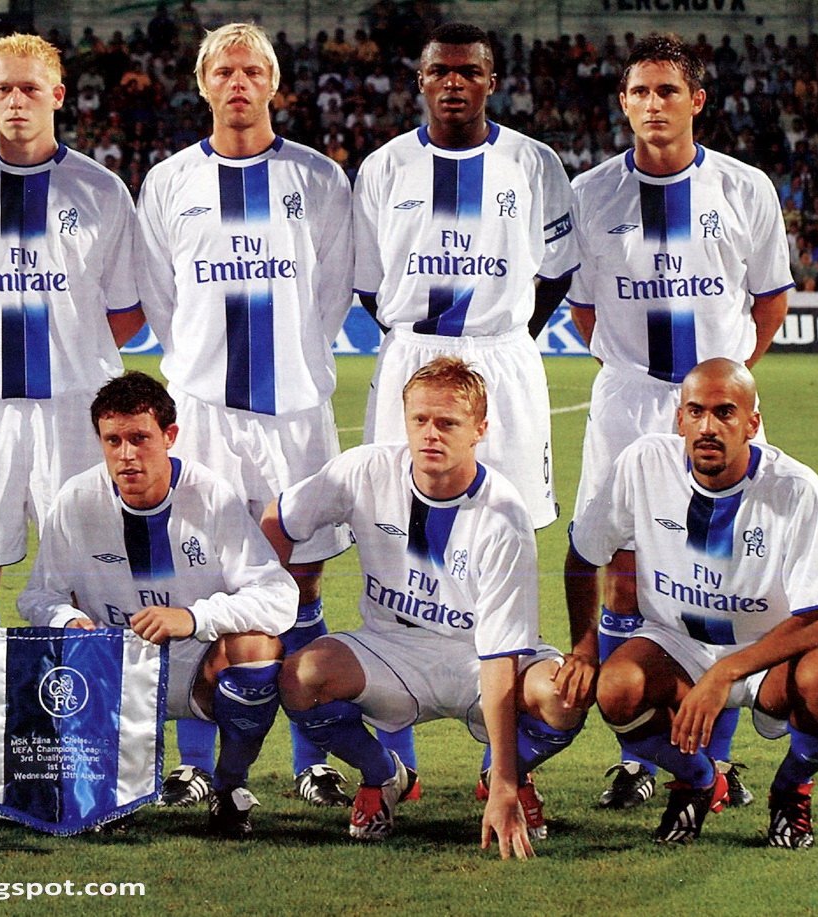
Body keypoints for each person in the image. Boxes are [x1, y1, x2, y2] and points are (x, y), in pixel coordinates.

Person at [0, 33, 143, 799]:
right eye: (2, 89)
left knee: (89, 562)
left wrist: (65, 354)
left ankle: (96, 741)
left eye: (29, 89)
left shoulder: (102, 190)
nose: (16, 101)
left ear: (57, 95)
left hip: (76, 405)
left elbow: (127, 314)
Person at [564, 34, 794, 810]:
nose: (652, 104)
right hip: (627, 398)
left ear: (696, 101)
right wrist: (637, 375)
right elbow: (584, 307)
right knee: (621, 561)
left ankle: (714, 755)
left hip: (715, 408)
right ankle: (639, 755)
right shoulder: (589, 191)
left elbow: (769, 298)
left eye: (667, 91)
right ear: (622, 102)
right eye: (639, 92)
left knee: (715, 567)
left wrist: (723, 379)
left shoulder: (744, 187)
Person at [134, 21, 355, 810]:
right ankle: (195, 760)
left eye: (251, 69)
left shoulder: (319, 179)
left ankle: (312, 759)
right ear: (202, 83)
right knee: (202, 571)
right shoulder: (166, 182)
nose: (237, 82)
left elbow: (331, 293)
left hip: (293, 407)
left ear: (273, 83)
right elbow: (162, 298)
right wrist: (200, 366)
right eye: (223, 70)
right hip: (203, 409)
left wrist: (294, 362)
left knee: (300, 575)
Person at [352, 22, 576, 775]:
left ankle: (502, 748)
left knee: (509, 521)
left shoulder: (532, 162)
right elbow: (366, 279)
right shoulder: (384, 166)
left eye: (468, 72)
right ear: (419, 80)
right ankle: (393, 748)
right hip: (412, 353)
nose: (453, 83)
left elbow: (556, 270)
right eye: (438, 72)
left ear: (490, 80)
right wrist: (428, 349)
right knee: (392, 519)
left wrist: (501, 339)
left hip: (502, 355)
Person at [263, 357, 586, 852]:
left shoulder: (503, 516)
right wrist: (269, 603)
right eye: (420, 420)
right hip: (390, 649)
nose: (430, 434)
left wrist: (503, 778)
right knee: (298, 677)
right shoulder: (365, 470)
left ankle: (510, 777)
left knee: (562, 695)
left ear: (479, 429)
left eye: (448, 423)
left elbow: (500, 657)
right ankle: (384, 775)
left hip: (477, 658)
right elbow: (280, 521)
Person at [562, 358, 818, 847]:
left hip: (764, 652)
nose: (708, 427)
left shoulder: (796, 489)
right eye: (695, 412)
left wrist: (724, 674)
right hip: (676, 644)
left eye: (725, 413)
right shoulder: (643, 463)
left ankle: (791, 790)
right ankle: (697, 781)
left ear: (752, 424)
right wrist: (586, 647)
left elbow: (816, 620)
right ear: (679, 419)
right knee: (616, 689)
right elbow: (583, 554)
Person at [19, 371, 297, 838]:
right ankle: (113, 792)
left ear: (169, 436)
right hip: (113, 667)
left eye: (139, 439)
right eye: (113, 441)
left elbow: (279, 596)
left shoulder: (211, 497)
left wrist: (193, 618)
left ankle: (230, 788)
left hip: (196, 665)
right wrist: (68, 618)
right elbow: (37, 596)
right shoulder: (76, 500)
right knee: (63, 654)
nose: (126, 455)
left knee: (256, 647)